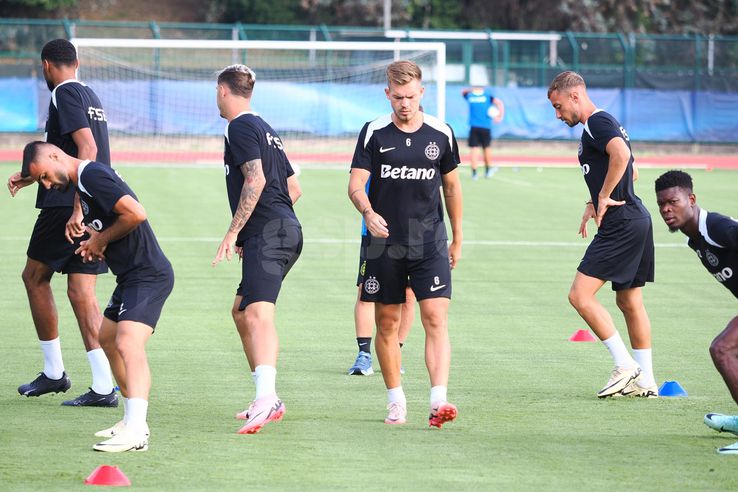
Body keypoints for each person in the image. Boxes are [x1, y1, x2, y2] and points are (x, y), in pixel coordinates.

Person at [19, 141, 174, 453]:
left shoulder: (92, 175)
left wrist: (100, 238)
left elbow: (136, 214)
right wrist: (94, 241)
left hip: (148, 275)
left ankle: (137, 430)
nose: (48, 185)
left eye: (45, 176)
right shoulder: (83, 186)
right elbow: (113, 222)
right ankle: (131, 420)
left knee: (128, 343)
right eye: (42, 183)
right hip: (129, 277)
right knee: (107, 338)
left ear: (55, 155)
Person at [348, 60, 463, 427]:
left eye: (411, 96)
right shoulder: (373, 133)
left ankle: (438, 400)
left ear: (421, 93)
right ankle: (396, 400)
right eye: (397, 97)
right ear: (387, 94)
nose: (404, 104)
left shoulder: (441, 132)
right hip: (384, 245)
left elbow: (452, 187)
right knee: (386, 324)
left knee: (435, 319)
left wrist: (457, 237)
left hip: (429, 241)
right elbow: (354, 185)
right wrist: (367, 211)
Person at [6, 38, 116, 407]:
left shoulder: (63, 94)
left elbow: (87, 150)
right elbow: (66, 152)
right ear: (78, 62)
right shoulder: (91, 96)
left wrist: (76, 208)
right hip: (99, 202)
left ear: (46, 66)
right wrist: (33, 176)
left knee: (34, 278)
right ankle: (103, 386)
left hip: (67, 206)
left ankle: (54, 372)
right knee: (81, 292)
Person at [547, 71, 657, 398]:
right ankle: (646, 380)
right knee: (629, 300)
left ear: (576, 96)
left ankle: (624, 364)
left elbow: (622, 156)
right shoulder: (601, 125)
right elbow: (629, 166)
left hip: (622, 222)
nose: (557, 114)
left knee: (580, 296)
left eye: (558, 106)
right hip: (635, 217)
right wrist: (593, 201)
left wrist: (606, 195)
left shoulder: (597, 122)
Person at [212, 64, 303, 435]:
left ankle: (268, 400)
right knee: (242, 310)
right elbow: (293, 188)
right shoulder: (267, 129)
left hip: (269, 232)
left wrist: (234, 232)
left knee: (258, 315)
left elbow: (256, 177)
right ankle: (262, 396)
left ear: (222, 90)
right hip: (283, 230)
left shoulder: (240, 126)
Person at [654, 170, 738, 454]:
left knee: (723, 349)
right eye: (662, 204)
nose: (666, 209)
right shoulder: (696, 239)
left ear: (691, 199)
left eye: (673, 202)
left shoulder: (715, 227)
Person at [348, 231, 415, 376]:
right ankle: (364, 354)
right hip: (376, 229)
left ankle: (394, 353)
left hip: (413, 230)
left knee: (408, 294)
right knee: (366, 288)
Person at [461, 86, 504, 180]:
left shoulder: (470, 95)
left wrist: (472, 89)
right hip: (485, 127)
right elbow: (499, 103)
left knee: (474, 150)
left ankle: (474, 173)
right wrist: (500, 116)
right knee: (486, 149)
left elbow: (463, 92)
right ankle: (488, 171)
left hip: (474, 127)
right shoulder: (487, 96)